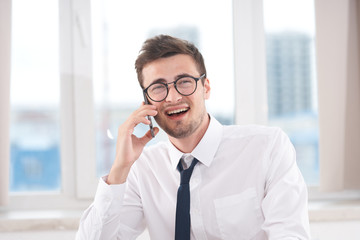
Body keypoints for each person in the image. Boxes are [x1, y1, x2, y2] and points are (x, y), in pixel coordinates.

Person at [76, 35, 311, 240]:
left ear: (205, 87)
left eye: (184, 82)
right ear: (147, 103)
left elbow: (290, 234)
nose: (173, 97)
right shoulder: (142, 169)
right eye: (158, 87)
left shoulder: (266, 148)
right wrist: (120, 168)